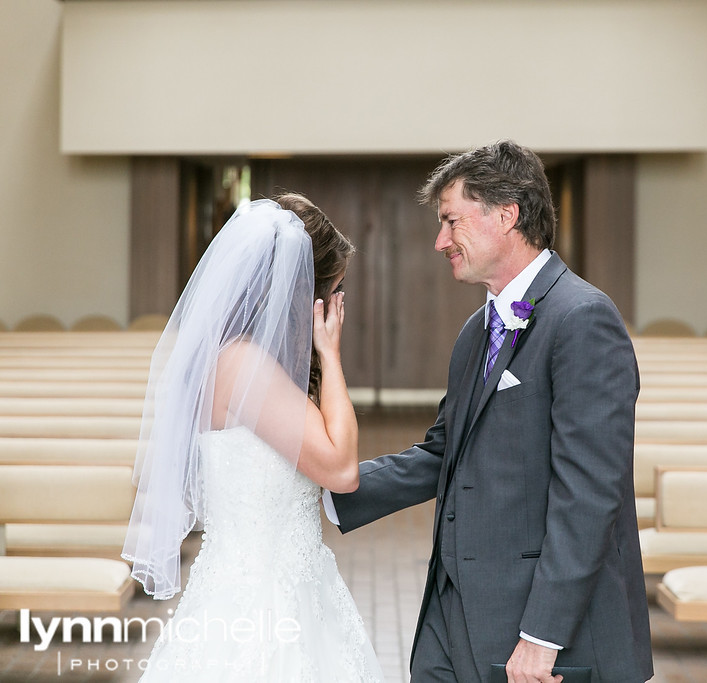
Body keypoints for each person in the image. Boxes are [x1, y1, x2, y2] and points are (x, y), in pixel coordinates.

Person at [328, 141, 653, 683]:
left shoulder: (582, 318)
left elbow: (590, 493)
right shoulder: (476, 332)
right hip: (454, 613)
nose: (440, 242)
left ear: (508, 215)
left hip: (540, 626)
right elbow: (444, 453)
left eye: (451, 221)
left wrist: (542, 636)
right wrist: (330, 484)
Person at [122, 194, 384, 681]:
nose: (336, 303)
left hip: (290, 583)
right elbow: (342, 469)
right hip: (265, 602)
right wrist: (330, 355)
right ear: (300, 287)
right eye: (334, 287)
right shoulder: (244, 366)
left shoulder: (238, 360)